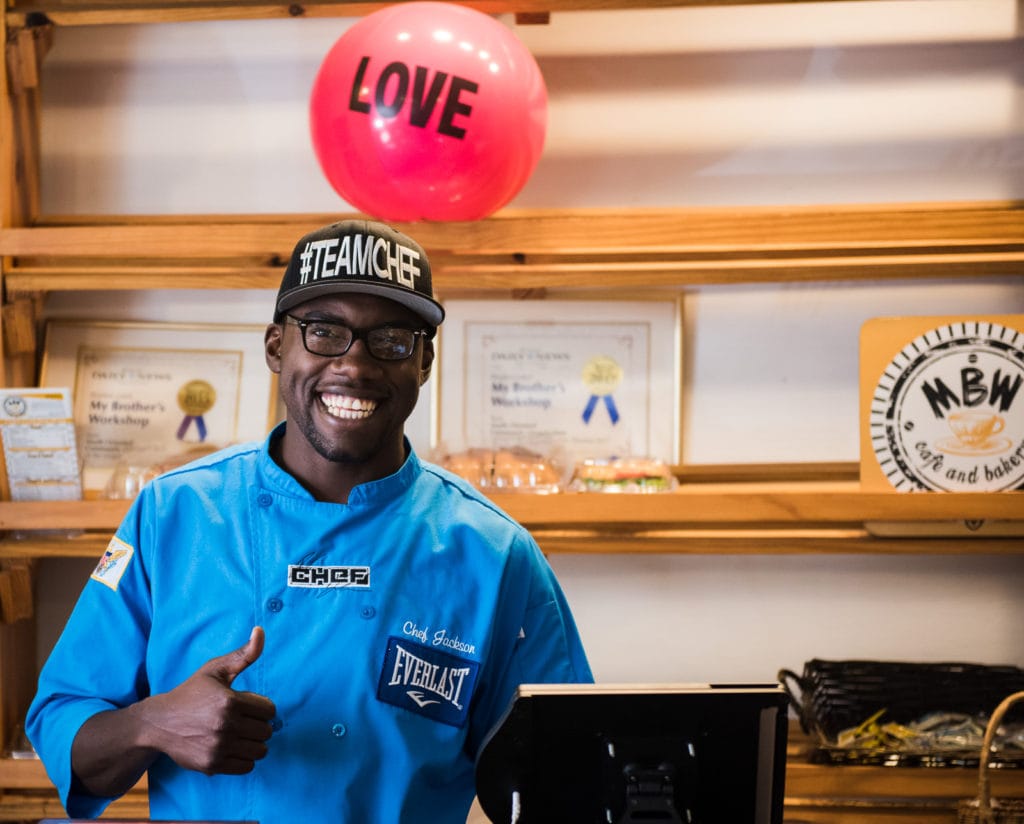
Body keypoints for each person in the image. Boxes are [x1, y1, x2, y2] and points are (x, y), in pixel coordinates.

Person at [26, 219, 593, 824]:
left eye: (392, 340)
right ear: (276, 347)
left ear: (423, 362)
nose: (355, 364)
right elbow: (62, 723)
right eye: (324, 332)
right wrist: (153, 723)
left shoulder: (496, 554)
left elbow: (571, 777)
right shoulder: (172, 514)